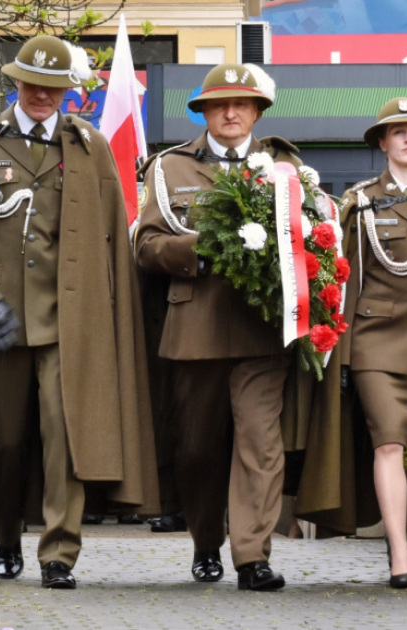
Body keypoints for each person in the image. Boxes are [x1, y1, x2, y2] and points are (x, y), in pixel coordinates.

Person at [0, 33, 157, 590]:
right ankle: (7, 531)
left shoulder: (88, 144)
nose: (43, 95)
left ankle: (59, 553)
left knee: (66, 432)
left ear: (68, 90)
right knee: (7, 440)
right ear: (16, 82)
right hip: (2, 320)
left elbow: (111, 235)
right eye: (33, 84)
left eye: (55, 87)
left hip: (71, 320)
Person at [134, 62, 304, 591]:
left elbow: (309, 238)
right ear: (204, 111)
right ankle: (206, 541)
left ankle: (252, 556)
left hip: (261, 329)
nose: (231, 113)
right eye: (220, 104)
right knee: (197, 448)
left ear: (257, 111)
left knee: (260, 441)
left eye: (243, 104)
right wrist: (198, 250)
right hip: (195, 327)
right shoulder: (169, 168)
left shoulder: (283, 167)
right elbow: (146, 246)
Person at [299, 97, 407, 589]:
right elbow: (342, 278)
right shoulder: (358, 202)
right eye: (397, 131)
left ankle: (400, 533)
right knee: (389, 442)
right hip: (375, 341)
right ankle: (400, 552)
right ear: (382, 142)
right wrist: (342, 351)